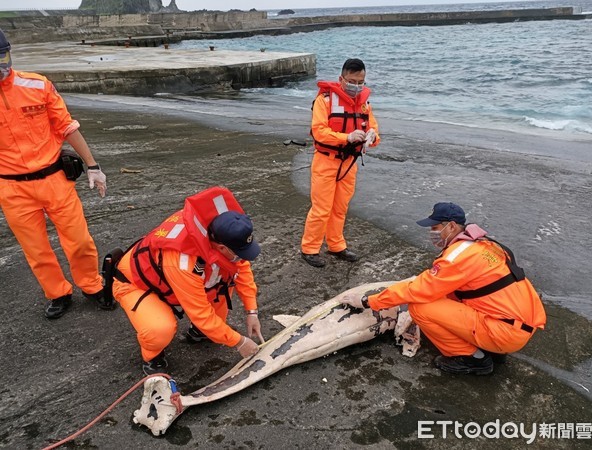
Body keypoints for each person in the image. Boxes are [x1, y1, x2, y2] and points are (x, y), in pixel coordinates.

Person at [340, 202, 546, 375]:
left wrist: (369, 301)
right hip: (519, 324)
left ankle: (474, 359)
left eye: (435, 227)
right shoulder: (485, 246)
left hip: (504, 332)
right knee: (443, 296)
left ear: (452, 226)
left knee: (420, 308)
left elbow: (419, 290)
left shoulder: (458, 256)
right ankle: (490, 346)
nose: (432, 233)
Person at [0, 28, 111, 319]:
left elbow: (67, 127)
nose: (1, 66)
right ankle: (57, 292)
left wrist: (93, 166)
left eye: (3, 58)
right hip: (11, 188)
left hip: (54, 179)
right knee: (35, 249)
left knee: (79, 239)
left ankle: (91, 285)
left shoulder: (37, 85)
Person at [111, 187, 265, 375]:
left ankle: (200, 332)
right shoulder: (183, 262)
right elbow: (201, 313)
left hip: (171, 279)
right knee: (160, 330)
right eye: (239, 253)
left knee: (218, 313)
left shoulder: (221, 232)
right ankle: (152, 356)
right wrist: (239, 342)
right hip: (136, 283)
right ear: (222, 247)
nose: (242, 258)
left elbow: (241, 268)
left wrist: (252, 311)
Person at [300, 58, 380, 268]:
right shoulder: (324, 100)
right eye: (352, 81)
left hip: (349, 163)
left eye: (360, 82)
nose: (356, 86)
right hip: (326, 161)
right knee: (321, 208)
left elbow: (373, 129)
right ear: (341, 79)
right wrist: (346, 138)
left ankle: (336, 245)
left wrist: (372, 136)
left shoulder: (364, 103)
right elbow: (319, 131)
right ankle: (309, 248)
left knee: (340, 207)